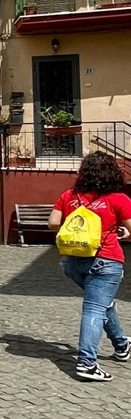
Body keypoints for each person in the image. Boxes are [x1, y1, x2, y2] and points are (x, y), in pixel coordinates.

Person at [48, 152, 131, 382]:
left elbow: (53, 223)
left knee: (103, 303)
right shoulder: (118, 198)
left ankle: (122, 344)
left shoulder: (69, 196)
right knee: (94, 308)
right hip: (106, 260)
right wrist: (122, 232)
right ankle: (87, 363)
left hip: (72, 261)